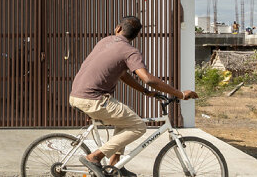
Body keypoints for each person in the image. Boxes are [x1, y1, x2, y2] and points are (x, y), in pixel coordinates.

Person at [69, 16, 198, 177]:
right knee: (138, 126)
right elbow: (148, 78)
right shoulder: (130, 51)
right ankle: (94, 157)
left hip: (78, 94)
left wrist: (145, 92)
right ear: (135, 36)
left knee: (125, 117)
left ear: (118, 28)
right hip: (94, 98)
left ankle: (115, 164)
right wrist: (180, 94)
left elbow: (124, 75)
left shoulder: (105, 42)